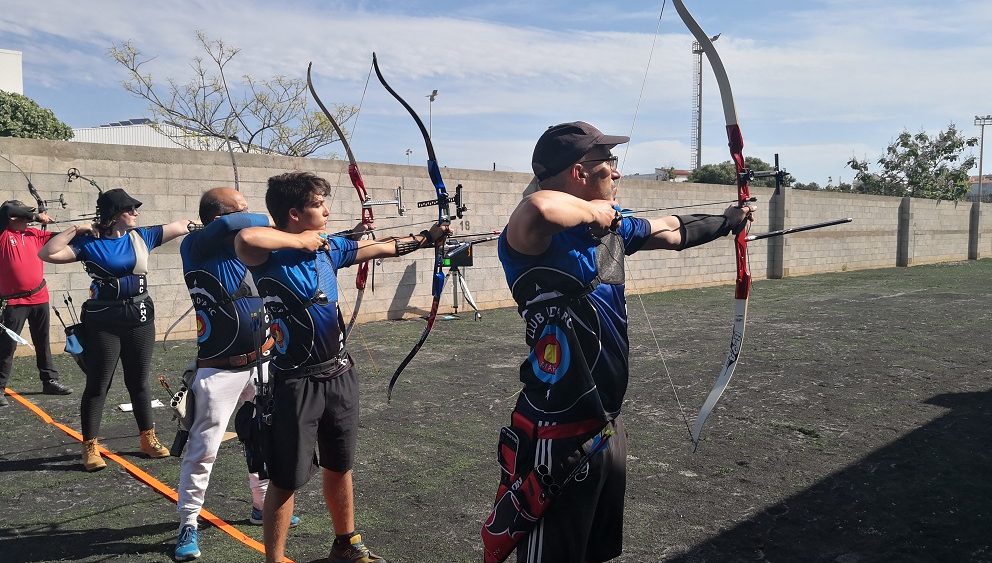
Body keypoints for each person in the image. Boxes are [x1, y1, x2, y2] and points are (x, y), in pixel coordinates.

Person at [482, 121, 755, 563]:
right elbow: (536, 207)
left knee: (595, 553)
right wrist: (595, 214)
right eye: (609, 163)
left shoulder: (609, 230)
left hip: (606, 425)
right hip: (555, 431)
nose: (617, 172)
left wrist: (728, 221)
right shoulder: (527, 239)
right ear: (578, 172)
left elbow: (669, 230)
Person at [235, 171, 447, 563]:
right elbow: (246, 238)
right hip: (296, 382)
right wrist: (299, 241)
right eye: (319, 204)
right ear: (295, 214)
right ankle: (275, 559)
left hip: (338, 373)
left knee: (339, 464)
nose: (328, 210)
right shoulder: (269, 255)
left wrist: (426, 238)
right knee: (286, 478)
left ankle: (345, 543)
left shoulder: (329, 249)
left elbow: (382, 247)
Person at [173, 187, 308, 561]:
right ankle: (188, 523)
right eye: (243, 208)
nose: (250, 215)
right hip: (218, 369)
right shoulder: (197, 245)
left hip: (261, 362)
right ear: (217, 218)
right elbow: (238, 223)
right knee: (203, 450)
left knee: (259, 435)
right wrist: (288, 221)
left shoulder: (249, 251)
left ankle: (260, 505)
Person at [39, 188, 193, 471]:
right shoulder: (89, 242)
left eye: (135, 209)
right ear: (114, 214)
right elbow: (48, 252)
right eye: (129, 209)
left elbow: (183, 225)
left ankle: (147, 439)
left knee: (139, 381)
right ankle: (90, 446)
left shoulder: (142, 236)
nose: (136, 213)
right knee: (98, 384)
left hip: (139, 317)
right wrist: (76, 228)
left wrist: (215, 223)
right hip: (103, 323)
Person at [0, 200, 72, 407]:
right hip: (14, 301)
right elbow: (5, 211)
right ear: (13, 218)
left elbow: (61, 240)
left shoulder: (35, 235)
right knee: (7, 346)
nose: (26, 220)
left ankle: (49, 381)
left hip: (39, 297)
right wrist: (36, 216)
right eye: (23, 216)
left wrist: (87, 229)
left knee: (43, 342)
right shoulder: (3, 234)